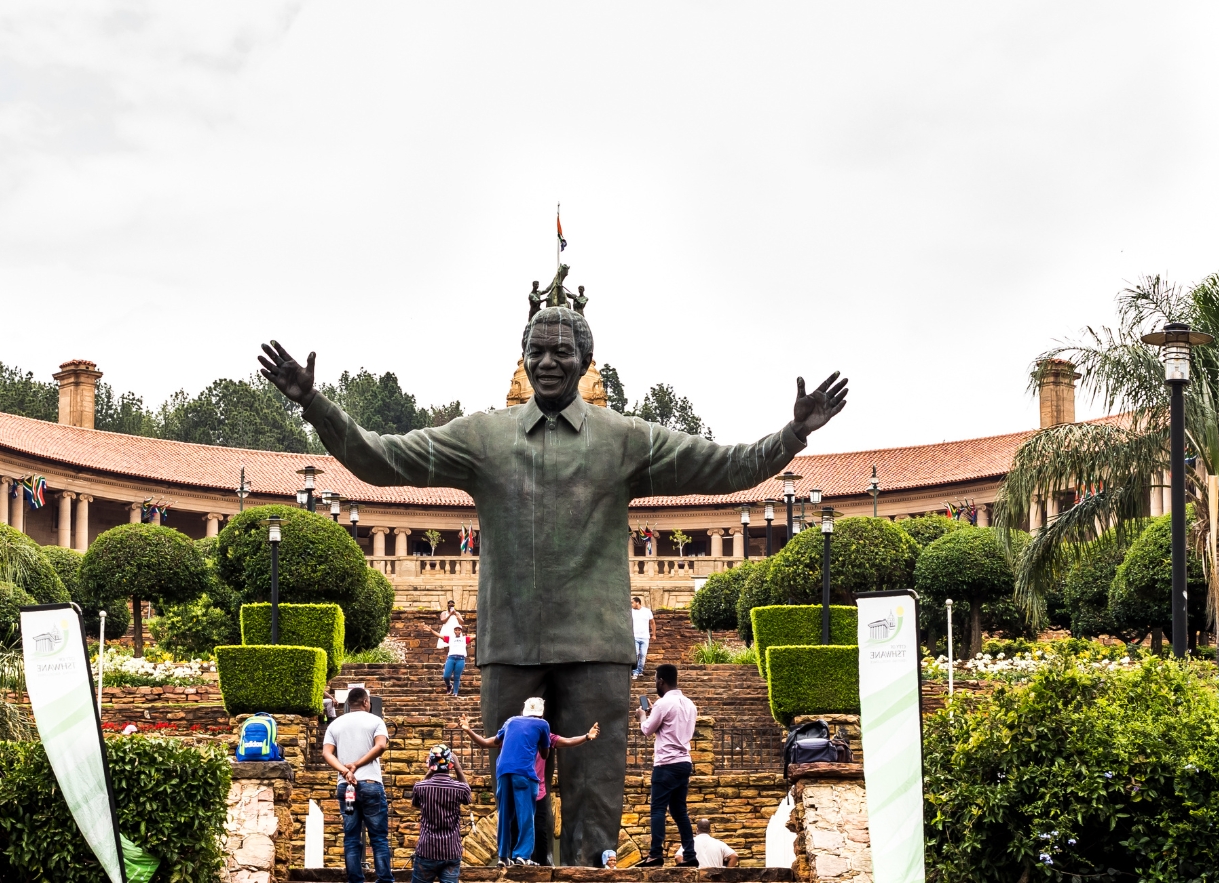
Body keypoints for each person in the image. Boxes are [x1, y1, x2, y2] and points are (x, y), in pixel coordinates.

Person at [259, 311, 848, 864]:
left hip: (596, 649)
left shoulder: (624, 439)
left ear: (586, 361)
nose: (547, 362)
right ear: (522, 357)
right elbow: (379, 459)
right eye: (536, 351)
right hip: (510, 645)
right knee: (516, 800)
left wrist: (793, 433)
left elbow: (725, 467)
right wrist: (314, 403)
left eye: (561, 352)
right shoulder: (482, 437)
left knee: (596, 805)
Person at [465, 697, 600, 865]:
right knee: (527, 817)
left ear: (523, 711)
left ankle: (503, 856)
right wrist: (586, 737)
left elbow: (486, 743)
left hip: (503, 772)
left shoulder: (510, 723)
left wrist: (468, 730)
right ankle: (523, 856)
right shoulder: (542, 725)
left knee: (505, 815)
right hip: (525, 776)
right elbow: (547, 752)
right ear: (541, 714)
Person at [322, 685, 392, 883]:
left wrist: (345, 771)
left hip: (346, 787)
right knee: (378, 838)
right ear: (365, 702)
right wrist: (357, 765)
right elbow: (381, 746)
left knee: (351, 837)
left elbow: (327, 753)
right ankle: (384, 880)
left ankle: (356, 880)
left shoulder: (335, 725)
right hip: (370, 783)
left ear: (347, 704)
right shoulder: (376, 721)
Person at [637, 663, 697, 866]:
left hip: (666, 764)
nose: (655, 683)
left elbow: (647, 730)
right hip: (684, 762)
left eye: (655, 680)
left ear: (661, 681)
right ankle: (690, 855)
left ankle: (655, 854)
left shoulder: (662, 704)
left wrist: (643, 715)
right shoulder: (690, 704)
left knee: (658, 810)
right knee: (680, 811)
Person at [409, 743, 472, 883]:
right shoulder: (459, 788)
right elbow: (468, 797)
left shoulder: (420, 787)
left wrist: (430, 772)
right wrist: (458, 768)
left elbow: (415, 803)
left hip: (427, 850)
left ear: (430, 763)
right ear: (450, 764)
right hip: (451, 851)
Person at [443, 621, 469, 697]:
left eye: (459, 630)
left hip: (460, 659)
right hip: (451, 658)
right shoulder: (450, 638)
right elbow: (440, 636)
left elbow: (475, 637)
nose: (457, 631)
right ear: (454, 631)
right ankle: (449, 685)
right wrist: (431, 630)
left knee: (457, 676)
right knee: (446, 676)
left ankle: (455, 692)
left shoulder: (464, 639)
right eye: (456, 630)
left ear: (461, 631)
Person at [630, 596, 653, 679]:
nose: (631, 604)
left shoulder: (647, 611)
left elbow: (652, 622)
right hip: (635, 636)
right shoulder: (630, 612)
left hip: (645, 637)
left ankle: (640, 671)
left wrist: (654, 634)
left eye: (632, 602)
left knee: (643, 655)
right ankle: (635, 672)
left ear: (637, 602)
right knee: (635, 654)